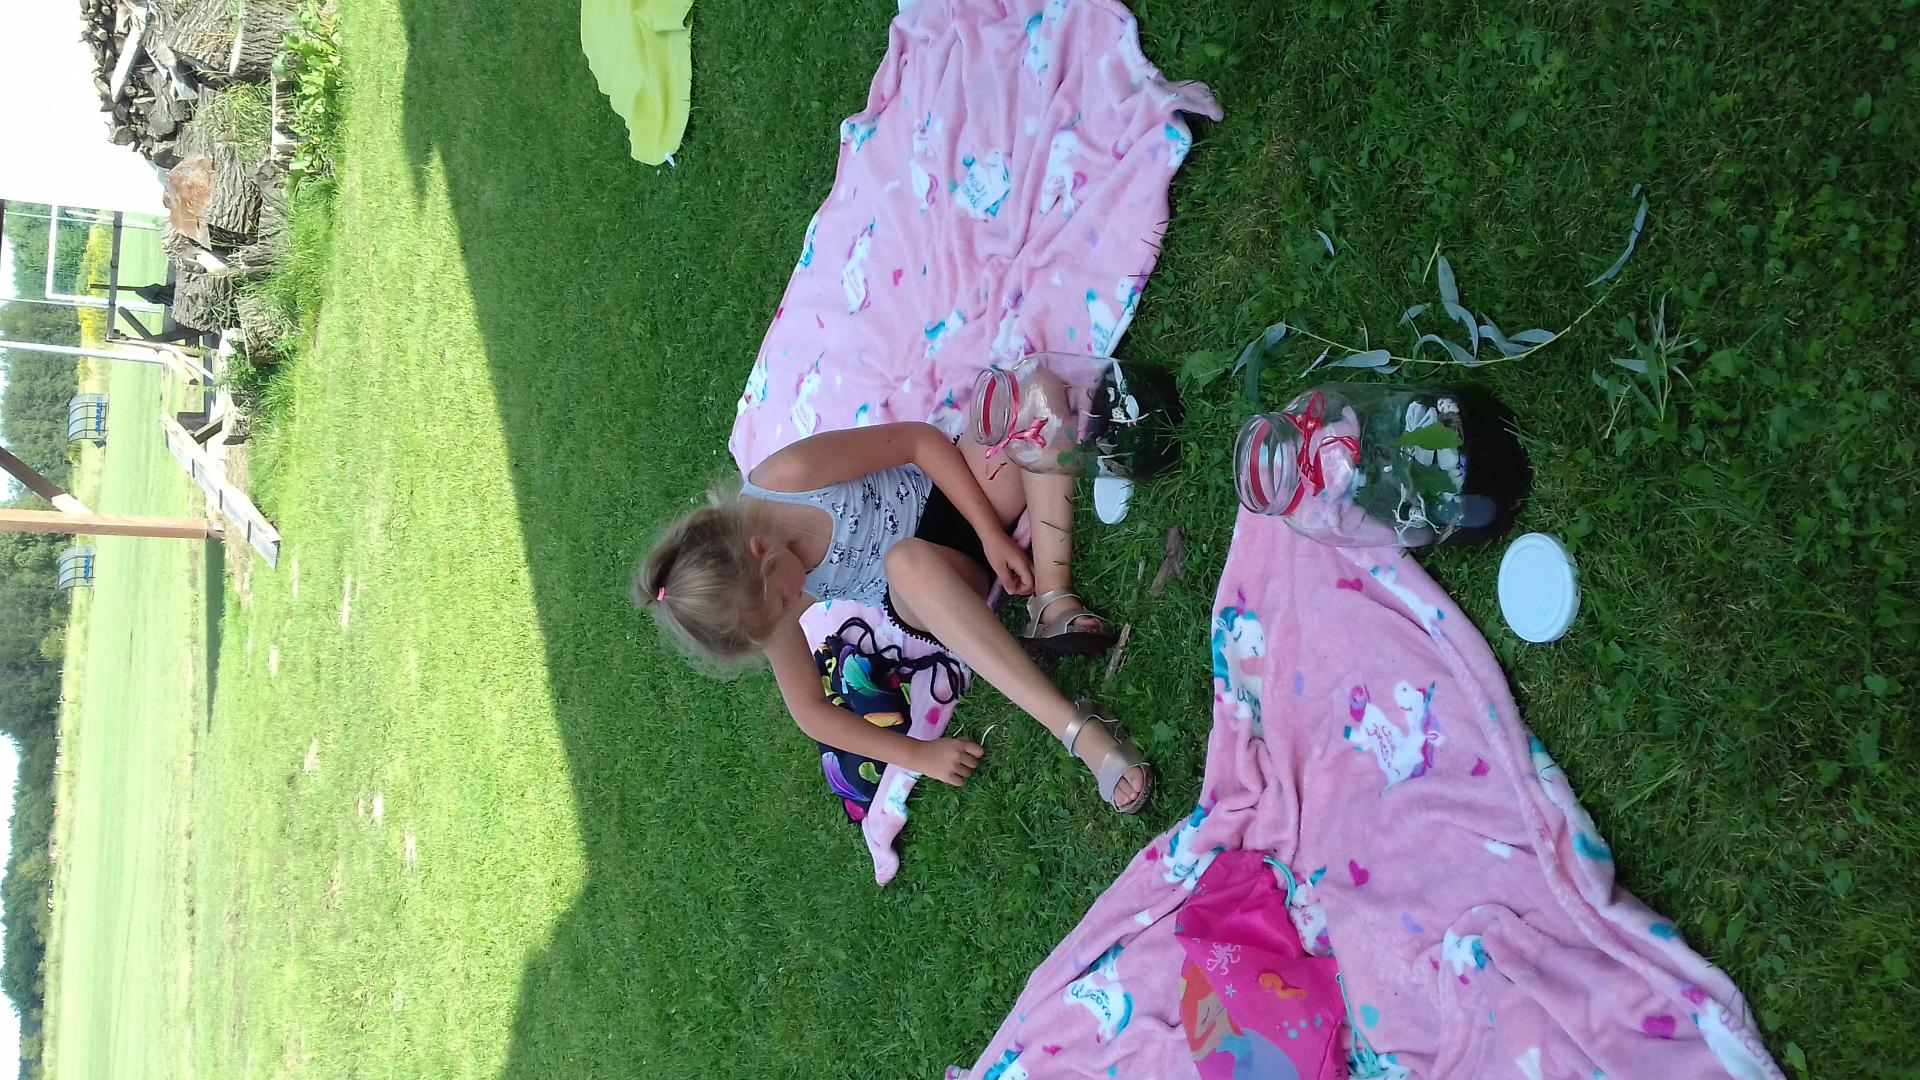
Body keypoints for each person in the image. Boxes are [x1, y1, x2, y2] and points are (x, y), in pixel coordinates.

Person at [636, 414, 1151, 813]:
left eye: (785, 603)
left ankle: (1054, 599)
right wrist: (917, 755)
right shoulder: (757, 606)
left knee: (1031, 397)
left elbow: (918, 443)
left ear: (758, 549)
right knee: (903, 561)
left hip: (960, 499)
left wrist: (991, 535)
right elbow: (810, 711)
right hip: (930, 592)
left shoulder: (788, 478)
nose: (795, 611)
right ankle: (1076, 729)